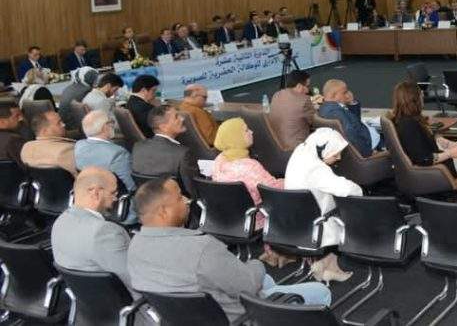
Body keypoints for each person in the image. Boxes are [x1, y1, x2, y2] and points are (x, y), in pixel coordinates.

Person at [128, 177, 331, 319]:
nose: (187, 201)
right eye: (180, 198)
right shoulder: (201, 248)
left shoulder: (134, 247)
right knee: (320, 291)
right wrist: (256, 264)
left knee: (265, 280)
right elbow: (249, 285)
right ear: (163, 212)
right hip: (240, 316)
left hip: (189, 317)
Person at [389, 81, 457, 220]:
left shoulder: (404, 120)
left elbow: (419, 146)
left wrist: (441, 141)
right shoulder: (409, 125)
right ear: (413, 99)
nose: (422, 96)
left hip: (437, 162)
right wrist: (450, 153)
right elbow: (424, 159)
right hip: (437, 169)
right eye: (420, 94)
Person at [284, 129, 361, 282]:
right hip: (314, 228)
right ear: (323, 150)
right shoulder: (316, 168)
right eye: (335, 154)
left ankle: (327, 267)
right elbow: (345, 189)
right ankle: (328, 264)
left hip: (292, 223)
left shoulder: (300, 152)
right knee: (352, 209)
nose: (339, 158)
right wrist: (360, 190)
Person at [211, 118, 288, 266]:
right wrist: (290, 180)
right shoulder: (249, 166)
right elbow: (273, 189)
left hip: (227, 216)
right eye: (246, 130)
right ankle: (284, 251)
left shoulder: (219, 160)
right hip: (254, 217)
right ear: (236, 137)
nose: (251, 132)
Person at [51, 167, 133, 289]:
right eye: (113, 193)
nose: (115, 199)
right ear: (96, 193)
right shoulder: (105, 232)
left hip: (84, 298)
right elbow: (134, 281)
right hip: (121, 299)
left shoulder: (59, 223)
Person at [132, 105, 200, 197]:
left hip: (147, 202)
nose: (182, 119)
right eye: (176, 117)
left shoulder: (138, 147)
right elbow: (193, 191)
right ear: (163, 127)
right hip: (176, 202)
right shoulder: (183, 153)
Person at [76, 110, 135, 195]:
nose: (113, 126)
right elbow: (131, 187)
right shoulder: (118, 153)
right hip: (115, 198)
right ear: (105, 127)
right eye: (112, 122)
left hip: (88, 194)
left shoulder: (78, 145)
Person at [319, 78, 378, 157]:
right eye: (344, 92)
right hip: (365, 147)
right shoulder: (334, 112)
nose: (347, 95)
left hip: (364, 139)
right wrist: (368, 153)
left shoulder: (327, 107)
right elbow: (351, 136)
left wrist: (351, 102)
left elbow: (355, 121)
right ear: (334, 95)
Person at [269, 70, 315, 149]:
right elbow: (315, 122)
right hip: (297, 148)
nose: (308, 90)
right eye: (307, 86)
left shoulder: (277, 95)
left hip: (276, 146)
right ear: (299, 86)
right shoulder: (304, 100)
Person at [22, 110, 77, 175]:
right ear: (44, 131)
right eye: (59, 123)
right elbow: (82, 175)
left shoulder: (26, 148)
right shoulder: (66, 150)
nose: (64, 125)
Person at [58, 67, 97, 133]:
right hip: (75, 127)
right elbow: (94, 106)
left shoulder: (69, 87)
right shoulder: (87, 90)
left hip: (64, 124)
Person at [0, 101, 26, 167]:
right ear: (2, 121)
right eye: (17, 116)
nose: (21, 118)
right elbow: (26, 168)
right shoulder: (14, 140)